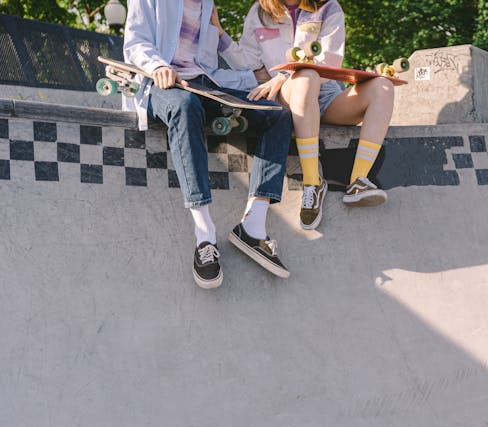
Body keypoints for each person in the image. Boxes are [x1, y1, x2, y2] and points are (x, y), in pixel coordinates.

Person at [123, 0, 293, 289]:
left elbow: (209, 66)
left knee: (277, 114)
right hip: (159, 87)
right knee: (185, 106)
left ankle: (253, 225)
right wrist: (158, 65)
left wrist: (256, 77)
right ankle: (205, 235)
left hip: (203, 86)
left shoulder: (207, 6)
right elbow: (135, 41)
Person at [214, 0, 395, 230]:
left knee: (383, 86)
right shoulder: (259, 12)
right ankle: (313, 183)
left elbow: (330, 60)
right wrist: (220, 33)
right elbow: (247, 61)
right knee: (305, 78)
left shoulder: (328, 7)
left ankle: (358, 180)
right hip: (288, 94)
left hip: (326, 92)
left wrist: (284, 74)